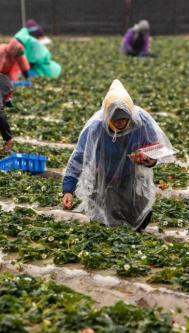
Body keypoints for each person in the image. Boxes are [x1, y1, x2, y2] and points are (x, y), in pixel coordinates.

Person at [62, 80, 176, 231]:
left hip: (131, 178)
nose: (121, 123)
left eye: (124, 119)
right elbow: (79, 157)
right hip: (103, 179)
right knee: (104, 223)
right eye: (116, 120)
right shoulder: (96, 127)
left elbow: (155, 149)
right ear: (107, 116)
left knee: (139, 220)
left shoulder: (141, 122)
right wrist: (68, 189)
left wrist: (147, 159)